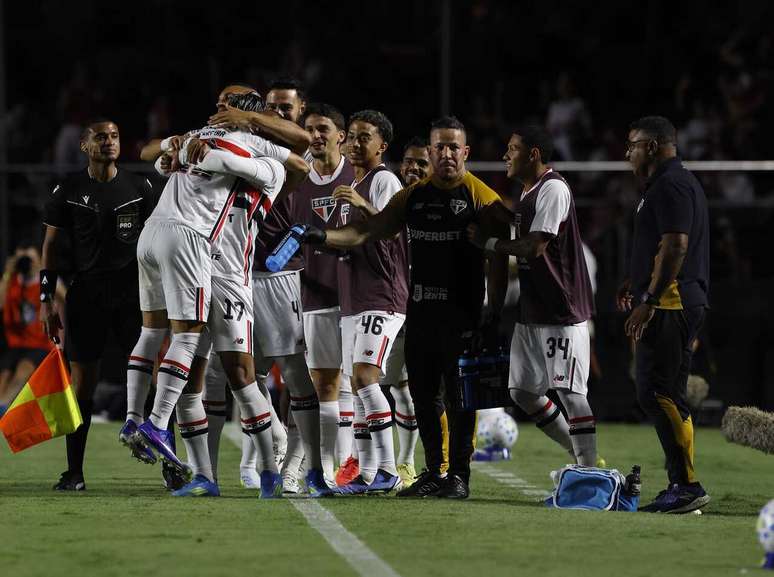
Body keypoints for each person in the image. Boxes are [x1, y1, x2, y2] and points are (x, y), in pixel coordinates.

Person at [297, 116, 509, 499]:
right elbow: (370, 229)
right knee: (423, 396)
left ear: (466, 152)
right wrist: (322, 235)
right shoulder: (413, 197)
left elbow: (500, 253)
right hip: (421, 310)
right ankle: (432, 471)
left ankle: (459, 476)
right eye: (439, 146)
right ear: (430, 151)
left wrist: (492, 309)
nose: (446, 154)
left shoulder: (481, 197)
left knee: (461, 398)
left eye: (452, 147)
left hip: (462, 312)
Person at [124, 104, 307, 498]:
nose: (221, 111)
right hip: (194, 263)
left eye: (232, 105)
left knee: (241, 378)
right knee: (192, 384)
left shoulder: (269, 169)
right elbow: (156, 159)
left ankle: (269, 470)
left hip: (231, 280)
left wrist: (200, 145)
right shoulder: (210, 154)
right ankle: (203, 475)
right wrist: (180, 146)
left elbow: (257, 161)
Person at [205, 79, 321, 495]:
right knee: (225, 374)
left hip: (277, 273)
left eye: (285, 107)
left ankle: (296, 467)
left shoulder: (289, 147)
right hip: (230, 271)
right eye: (270, 106)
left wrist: (251, 117)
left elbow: (304, 139)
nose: (277, 113)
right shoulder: (242, 139)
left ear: (301, 110)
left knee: (292, 371)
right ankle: (213, 472)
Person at [467, 125, 598, 469]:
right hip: (533, 309)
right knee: (522, 392)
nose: (505, 155)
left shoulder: (552, 188)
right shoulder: (528, 193)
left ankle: (589, 472)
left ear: (534, 154)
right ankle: (578, 457)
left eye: (512, 148)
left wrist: (489, 243)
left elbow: (534, 247)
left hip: (561, 309)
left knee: (571, 394)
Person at [40, 119, 157, 491]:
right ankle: (74, 472)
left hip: (131, 297)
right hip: (86, 295)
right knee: (82, 384)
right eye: (100, 137)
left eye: (114, 136)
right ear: (84, 145)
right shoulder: (67, 189)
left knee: (150, 378)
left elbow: (157, 242)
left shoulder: (140, 187)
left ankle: (170, 464)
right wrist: (46, 300)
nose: (109, 142)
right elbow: (50, 249)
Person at [617, 115, 710, 514]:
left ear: (652, 147)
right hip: (672, 299)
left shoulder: (671, 184)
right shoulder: (666, 185)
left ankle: (686, 484)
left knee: (655, 391)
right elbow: (661, 245)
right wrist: (634, 281)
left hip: (670, 302)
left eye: (633, 145)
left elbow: (675, 246)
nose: (628, 153)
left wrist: (649, 299)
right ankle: (682, 482)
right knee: (668, 393)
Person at [291, 103, 355, 484]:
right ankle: (330, 470)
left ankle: (356, 465)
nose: (316, 136)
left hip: (360, 295)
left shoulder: (358, 175)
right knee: (327, 384)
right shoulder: (296, 179)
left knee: (360, 383)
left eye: (323, 129)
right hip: (316, 293)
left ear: (340, 136)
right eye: (310, 130)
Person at [0, 245, 61, 414]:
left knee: (23, 369)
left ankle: (3, 407)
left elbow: (65, 296)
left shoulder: (44, 281)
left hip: (39, 344)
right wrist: (8, 271)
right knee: (4, 375)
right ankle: (3, 406)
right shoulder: (12, 281)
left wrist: (44, 270)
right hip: (15, 344)